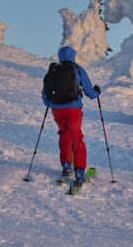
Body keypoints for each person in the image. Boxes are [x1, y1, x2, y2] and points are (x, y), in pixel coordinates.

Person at [41, 46, 101, 186]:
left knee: (64, 135)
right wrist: (97, 92)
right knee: (76, 138)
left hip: (57, 110)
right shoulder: (77, 69)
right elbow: (89, 92)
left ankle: (67, 165)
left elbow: (45, 95)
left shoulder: (53, 70)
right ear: (73, 56)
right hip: (73, 109)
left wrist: (53, 104)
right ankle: (79, 171)